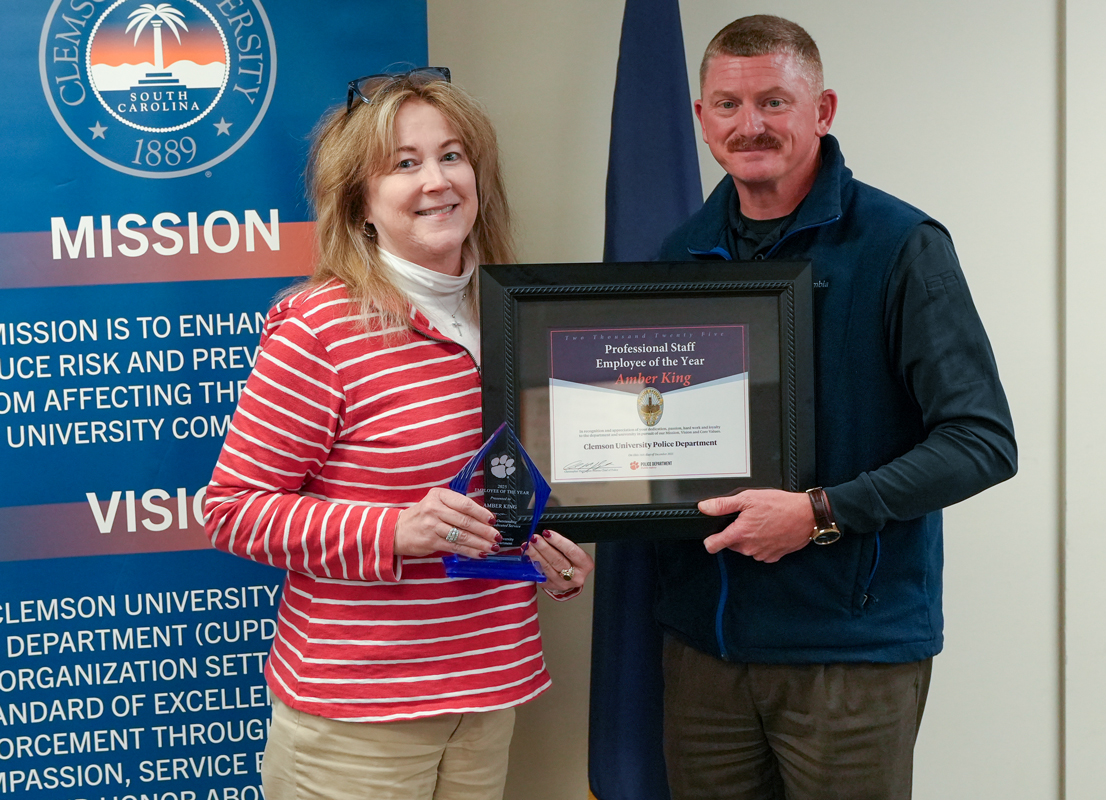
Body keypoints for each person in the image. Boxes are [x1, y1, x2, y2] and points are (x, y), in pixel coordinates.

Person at [654, 16, 1017, 800]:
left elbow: (981, 440)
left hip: (849, 655)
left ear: (823, 111)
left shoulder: (902, 245)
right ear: (701, 119)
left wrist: (820, 512)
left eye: (775, 102)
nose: (750, 125)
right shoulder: (679, 253)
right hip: (705, 652)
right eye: (727, 104)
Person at [204, 68, 593, 800]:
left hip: (486, 695)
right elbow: (232, 510)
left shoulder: (518, 314)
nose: (436, 181)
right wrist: (393, 531)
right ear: (361, 203)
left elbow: (516, 493)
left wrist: (555, 549)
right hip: (357, 718)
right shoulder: (320, 328)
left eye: (452, 155)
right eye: (404, 164)